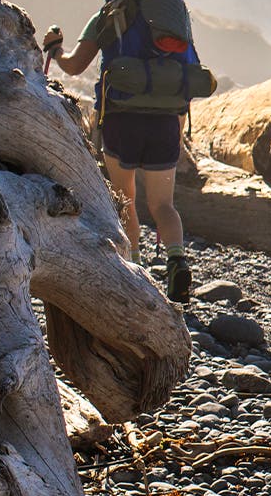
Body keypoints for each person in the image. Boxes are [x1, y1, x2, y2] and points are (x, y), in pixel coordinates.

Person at [43, 18, 192, 304]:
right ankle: (177, 261)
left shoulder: (109, 15)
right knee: (163, 205)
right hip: (165, 123)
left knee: (125, 199)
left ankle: (136, 271)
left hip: (121, 121)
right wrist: (178, 130)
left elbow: (74, 66)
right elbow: (186, 78)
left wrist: (55, 49)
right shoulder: (173, 19)